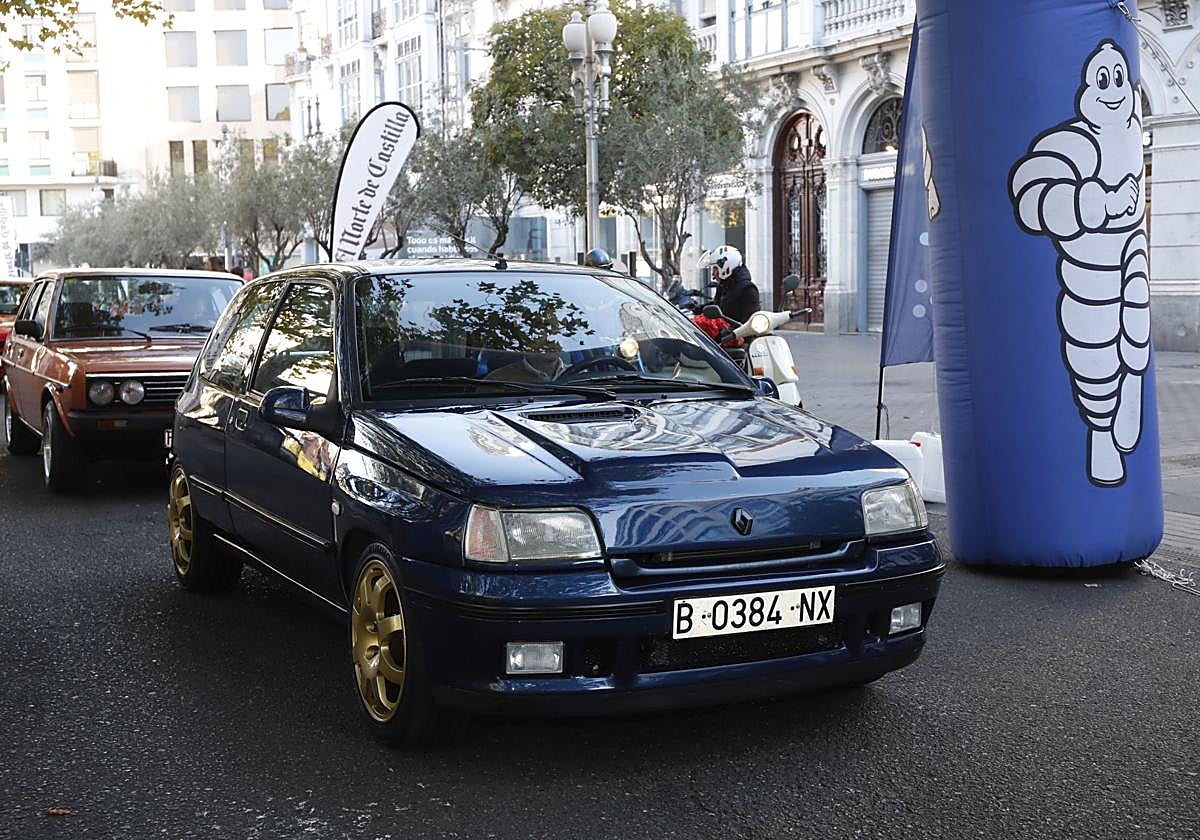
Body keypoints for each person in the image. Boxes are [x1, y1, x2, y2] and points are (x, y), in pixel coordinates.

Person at [704, 245, 760, 324]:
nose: (713, 274)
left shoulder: (748, 289)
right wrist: (697, 309)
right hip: (720, 334)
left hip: (738, 335)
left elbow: (750, 321)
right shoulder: (723, 286)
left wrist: (730, 332)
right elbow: (716, 307)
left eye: (715, 268)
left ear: (726, 266)